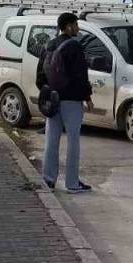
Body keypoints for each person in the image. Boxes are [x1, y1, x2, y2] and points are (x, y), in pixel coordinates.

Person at [42, 12, 93, 193]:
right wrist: (87, 97)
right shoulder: (74, 47)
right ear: (69, 26)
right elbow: (81, 76)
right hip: (71, 100)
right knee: (73, 142)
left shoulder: (49, 45)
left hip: (53, 99)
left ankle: (48, 180)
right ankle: (72, 183)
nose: (78, 28)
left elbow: (40, 75)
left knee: (51, 140)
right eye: (76, 24)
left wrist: (48, 93)